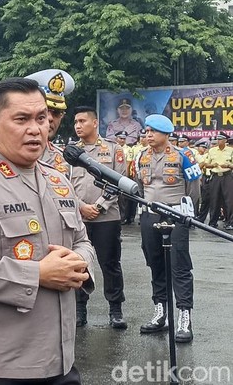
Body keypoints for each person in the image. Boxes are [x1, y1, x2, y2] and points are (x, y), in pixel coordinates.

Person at [0, 78, 94, 384]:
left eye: (41, 119)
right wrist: (37, 273)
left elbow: (82, 241)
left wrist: (79, 262)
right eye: (21, 119)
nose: (36, 129)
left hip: (60, 361)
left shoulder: (58, 181)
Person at [134, 114, 201, 343]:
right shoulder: (141, 156)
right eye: (147, 131)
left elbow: (194, 189)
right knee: (155, 264)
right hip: (150, 214)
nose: (148, 135)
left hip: (177, 214)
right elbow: (141, 188)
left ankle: (184, 317)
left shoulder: (184, 156)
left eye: (153, 131)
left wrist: (187, 215)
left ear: (166, 133)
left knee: (179, 266)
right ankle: (160, 313)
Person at [71, 106, 128, 329]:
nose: (78, 126)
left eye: (82, 121)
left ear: (95, 123)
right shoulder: (69, 153)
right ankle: (79, 310)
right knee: (77, 264)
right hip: (78, 218)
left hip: (107, 217)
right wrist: (81, 207)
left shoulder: (113, 150)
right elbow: (62, 186)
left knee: (110, 264)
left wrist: (99, 206)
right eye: (75, 122)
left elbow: (119, 182)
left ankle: (115, 310)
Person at [26, 69, 75, 178]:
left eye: (57, 113)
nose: (49, 118)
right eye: (44, 111)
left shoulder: (63, 158)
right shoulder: (4, 155)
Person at [202, 132, 233, 229]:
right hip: (215, 176)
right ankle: (213, 222)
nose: (218, 141)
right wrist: (213, 165)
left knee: (229, 200)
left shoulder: (231, 150)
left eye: (220, 139)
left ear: (225, 140)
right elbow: (206, 164)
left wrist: (228, 165)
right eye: (217, 139)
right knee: (214, 199)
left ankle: (229, 222)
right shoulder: (212, 150)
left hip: (227, 175)